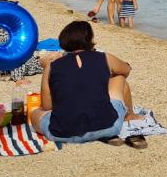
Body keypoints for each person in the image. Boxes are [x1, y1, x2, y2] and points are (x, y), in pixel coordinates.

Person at [27, 20, 143, 148]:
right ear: (89, 40)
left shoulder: (52, 66)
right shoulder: (104, 58)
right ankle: (129, 115)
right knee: (119, 77)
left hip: (62, 132)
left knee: (35, 113)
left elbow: (47, 106)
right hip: (109, 127)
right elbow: (126, 70)